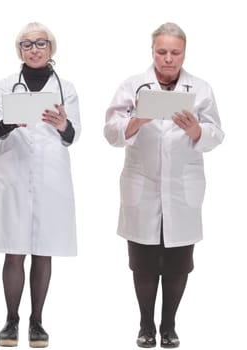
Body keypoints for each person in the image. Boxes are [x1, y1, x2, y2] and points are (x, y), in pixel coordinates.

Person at [104, 22, 223, 349]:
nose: (168, 58)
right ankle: (145, 325)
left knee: (177, 263)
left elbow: (217, 134)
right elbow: (111, 132)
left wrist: (197, 131)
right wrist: (136, 120)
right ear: (152, 52)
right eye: (161, 52)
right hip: (142, 186)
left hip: (182, 189)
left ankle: (169, 326)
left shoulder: (200, 88)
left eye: (175, 52)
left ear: (184, 53)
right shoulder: (132, 86)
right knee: (142, 261)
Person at [0, 22, 80, 348]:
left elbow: (74, 134)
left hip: (50, 176)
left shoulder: (66, 88)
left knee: (44, 250)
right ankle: (11, 320)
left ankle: (37, 321)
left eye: (40, 43)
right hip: (13, 171)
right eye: (26, 44)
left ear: (51, 47)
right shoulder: (7, 85)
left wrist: (63, 124)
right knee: (14, 250)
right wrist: (9, 121)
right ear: (19, 50)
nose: (34, 49)